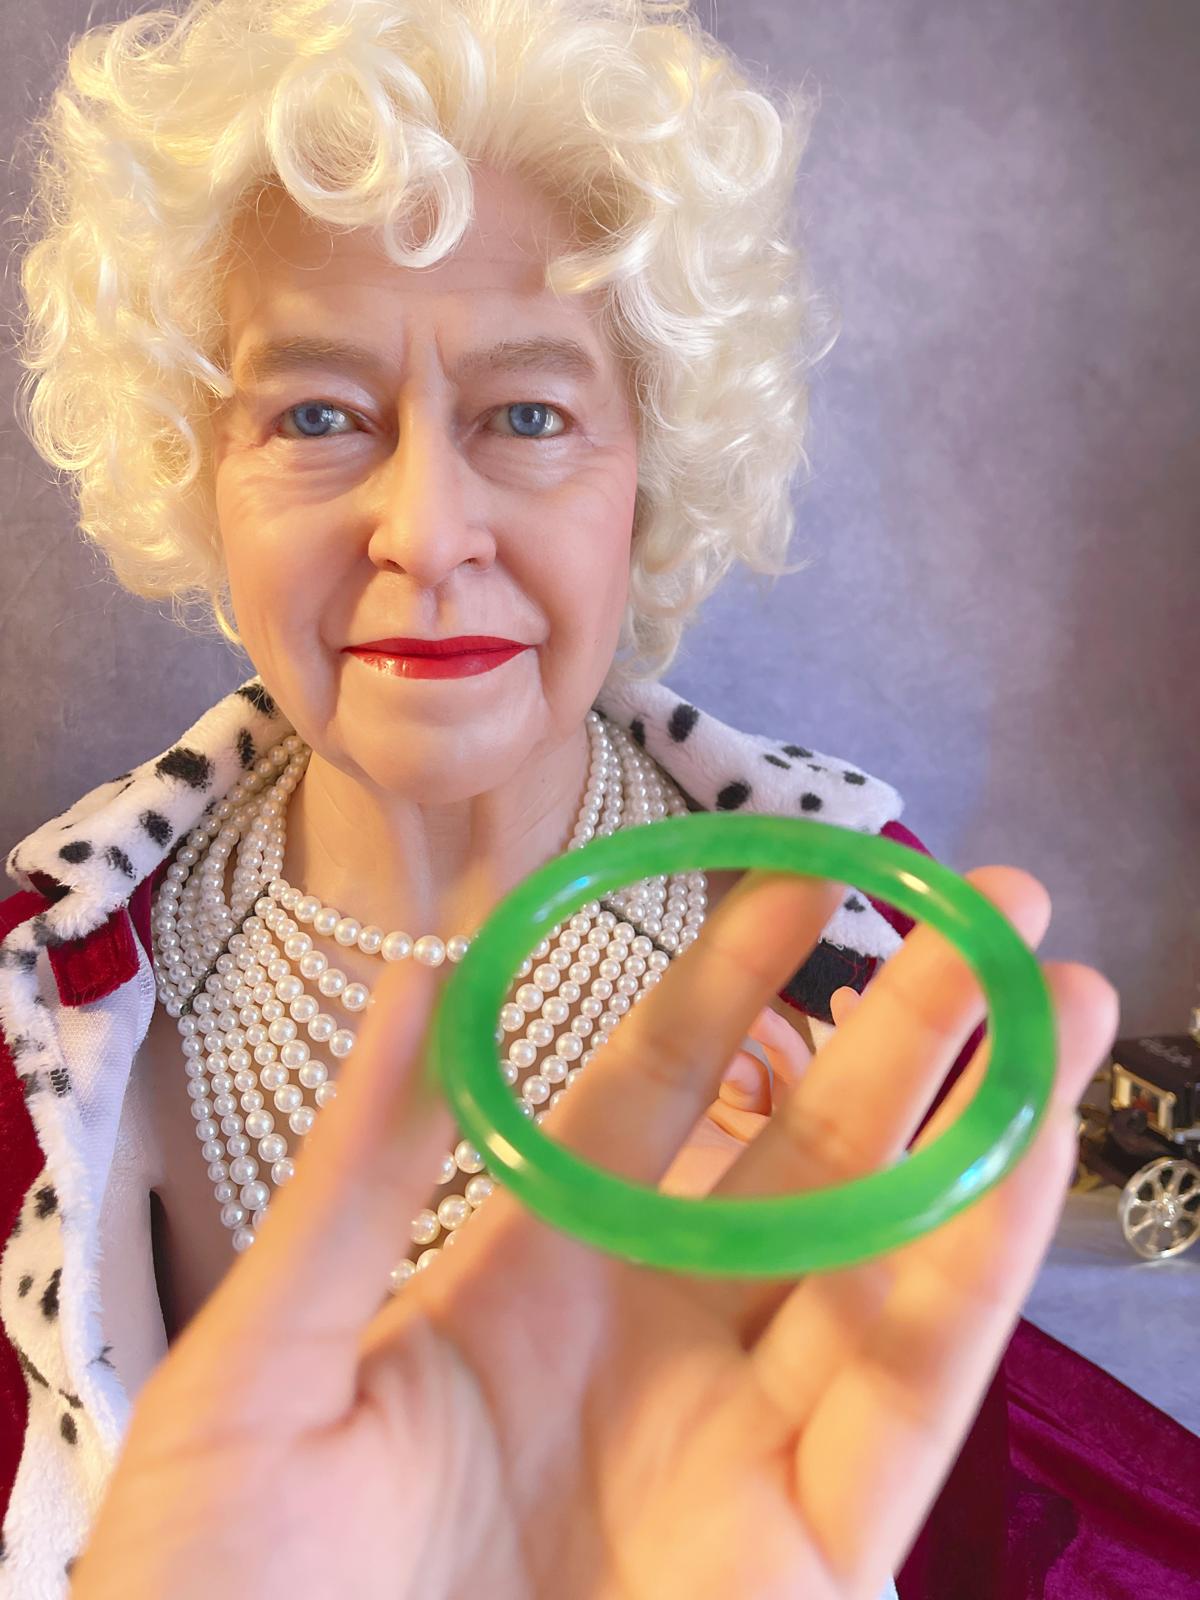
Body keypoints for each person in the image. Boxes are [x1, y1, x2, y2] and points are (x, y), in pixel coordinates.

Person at [0, 1, 1128, 1595]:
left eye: (528, 415)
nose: (426, 530)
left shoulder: (858, 953)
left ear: (646, 474)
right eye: (315, 415)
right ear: (200, 472)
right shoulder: (44, 1003)